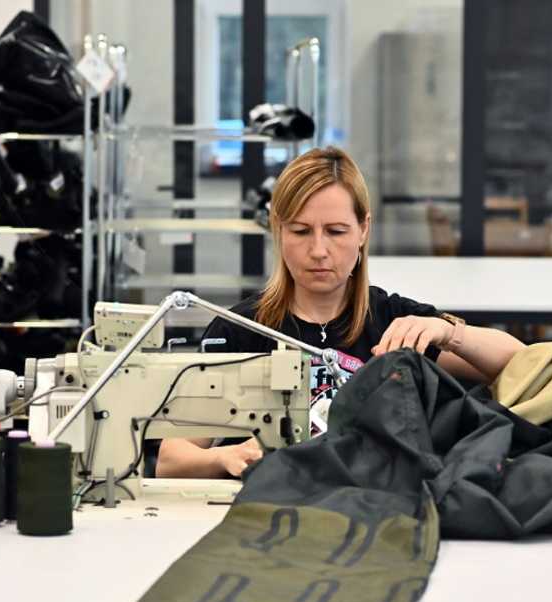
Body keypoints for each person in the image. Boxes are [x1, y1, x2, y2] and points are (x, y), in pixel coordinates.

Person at [155, 146, 524, 478]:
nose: (318, 250)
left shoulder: (393, 321)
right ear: (278, 230)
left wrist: (448, 332)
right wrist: (223, 457)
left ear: (363, 230)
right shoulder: (240, 330)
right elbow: (171, 459)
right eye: (301, 231)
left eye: (335, 231)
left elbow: (522, 364)